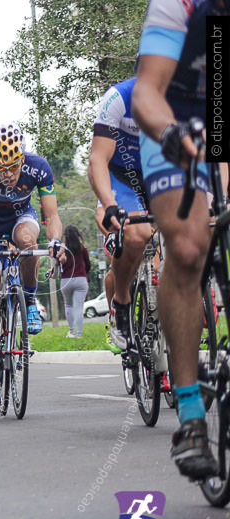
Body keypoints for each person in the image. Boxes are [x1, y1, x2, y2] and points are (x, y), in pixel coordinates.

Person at [131, 0, 228, 480]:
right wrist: (172, 134)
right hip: (170, 112)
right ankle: (190, 414)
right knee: (188, 250)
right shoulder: (180, 4)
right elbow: (146, 93)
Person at [0, 124, 65, 400]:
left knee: (28, 244)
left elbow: (52, 215)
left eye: (13, 167)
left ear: (22, 158)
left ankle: (30, 302)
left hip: (23, 216)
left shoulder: (38, 166)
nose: (7, 174)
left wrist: (56, 240)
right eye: (1, 168)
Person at [87, 77, 152, 351]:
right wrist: (108, 202)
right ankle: (122, 301)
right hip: (120, 175)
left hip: (158, 173)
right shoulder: (118, 97)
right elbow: (98, 158)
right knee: (137, 235)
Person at [59, 225, 91, 338]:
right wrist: (83, 274)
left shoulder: (62, 249)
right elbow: (88, 264)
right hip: (80, 280)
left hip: (66, 280)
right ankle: (79, 334)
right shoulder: (82, 248)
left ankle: (71, 331)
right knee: (79, 307)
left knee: (68, 305)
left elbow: (58, 264)